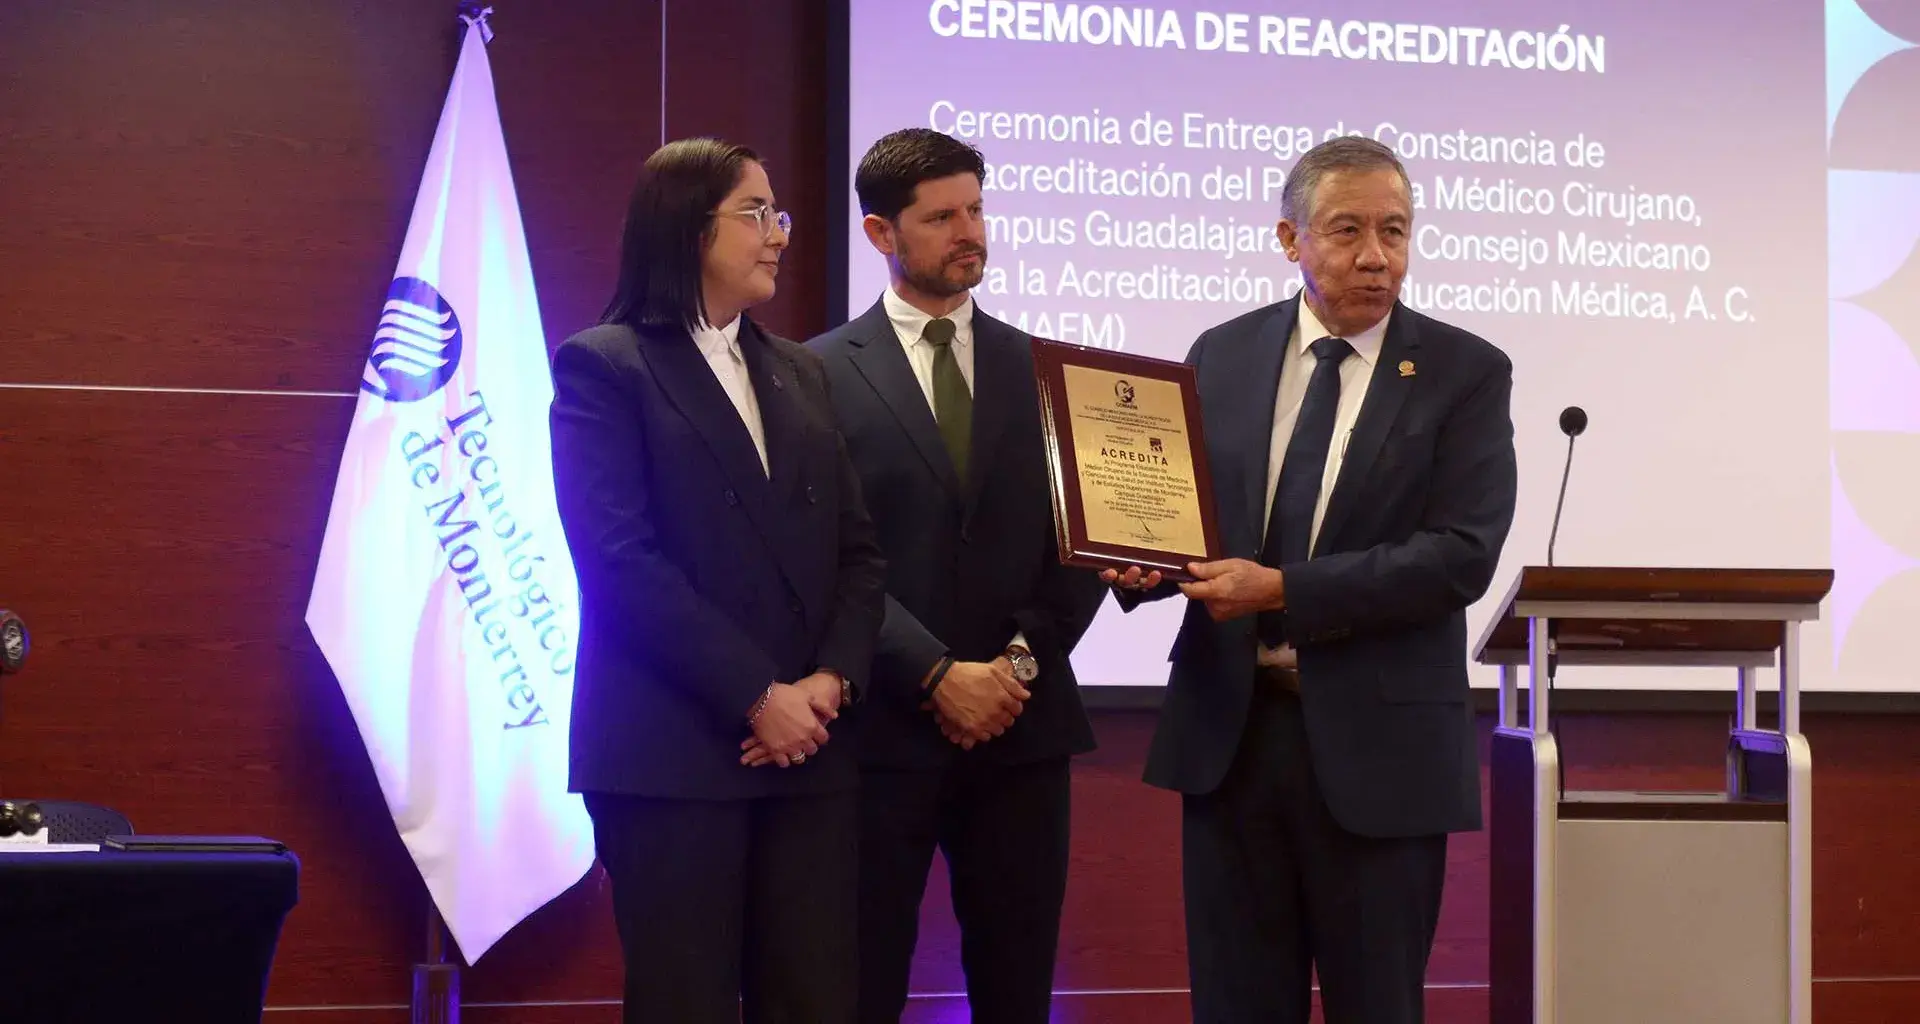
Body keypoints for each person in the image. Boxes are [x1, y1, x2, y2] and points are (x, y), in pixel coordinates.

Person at [1106, 136, 1518, 1024]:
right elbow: (1187, 515)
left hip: (1381, 752)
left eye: (1395, 230)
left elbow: (1459, 555)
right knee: (1236, 1004)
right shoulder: (1224, 353)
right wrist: (1139, 560)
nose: (1377, 254)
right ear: (1290, 239)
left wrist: (1283, 590)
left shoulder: (1464, 371)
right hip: (1233, 740)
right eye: (1348, 229)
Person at [548, 137, 885, 1024]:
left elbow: (859, 554)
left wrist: (827, 685)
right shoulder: (606, 365)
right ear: (688, 228)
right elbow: (617, 561)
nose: (779, 233)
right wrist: (754, 695)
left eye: (779, 213)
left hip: (810, 748)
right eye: (756, 212)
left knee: (813, 999)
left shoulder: (800, 369)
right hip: (674, 754)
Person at [807, 128, 1108, 1024]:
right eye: (941, 217)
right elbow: (818, 553)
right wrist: (936, 674)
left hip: (1022, 731)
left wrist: (1009, 672)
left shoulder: (1053, 371)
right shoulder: (812, 374)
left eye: (976, 209)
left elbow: (1082, 549)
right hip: (878, 729)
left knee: (1018, 987)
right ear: (879, 233)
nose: (968, 231)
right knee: (861, 984)